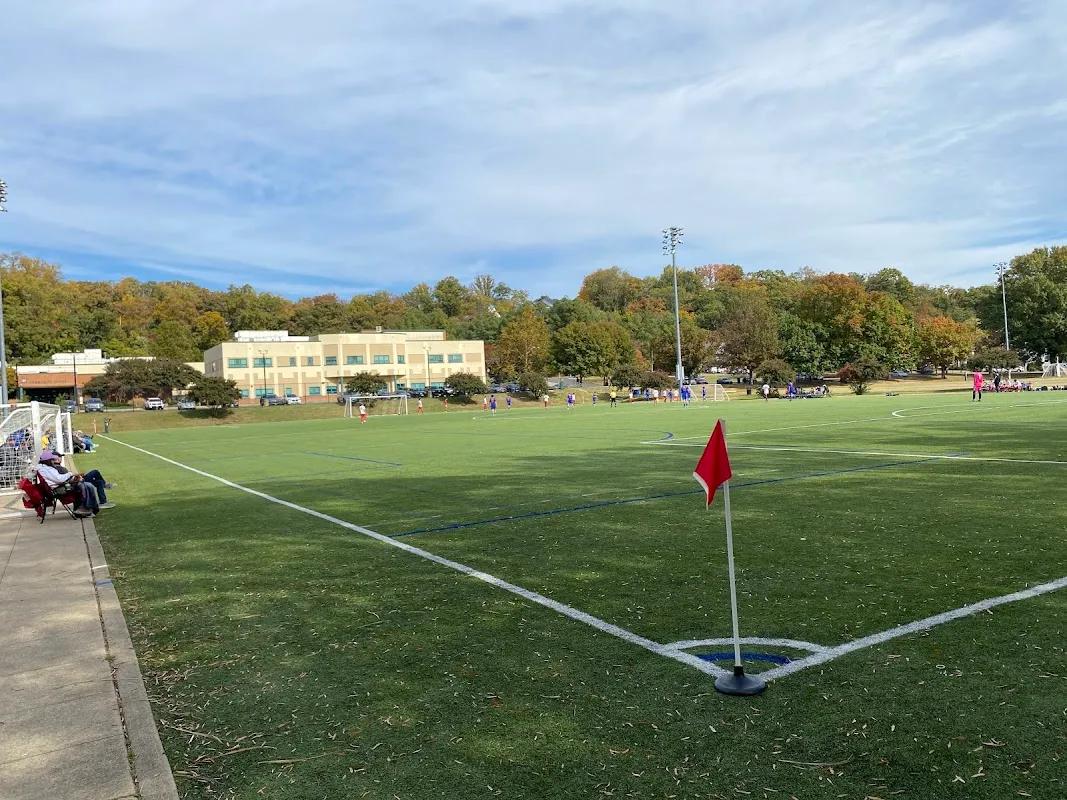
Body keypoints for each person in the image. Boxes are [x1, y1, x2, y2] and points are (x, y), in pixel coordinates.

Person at [36, 451, 116, 517]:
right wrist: (72, 474)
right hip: (59, 488)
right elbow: (59, 479)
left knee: (90, 484)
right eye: (52, 459)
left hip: (60, 486)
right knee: (87, 484)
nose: (53, 460)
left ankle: (89, 508)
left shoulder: (45, 468)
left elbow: (58, 478)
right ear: (48, 460)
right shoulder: (46, 469)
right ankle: (88, 508)